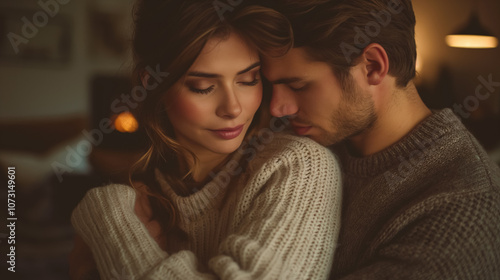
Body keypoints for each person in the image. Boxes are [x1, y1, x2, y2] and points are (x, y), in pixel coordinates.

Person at [69, 0, 342, 279]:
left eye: (248, 79)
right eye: (203, 87)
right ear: (151, 84)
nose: (233, 108)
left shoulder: (298, 166)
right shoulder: (141, 194)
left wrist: (112, 223)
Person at [260, 0, 500, 279]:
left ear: (372, 66)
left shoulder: (466, 211)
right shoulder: (300, 146)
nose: (277, 108)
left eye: (298, 85)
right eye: (270, 85)